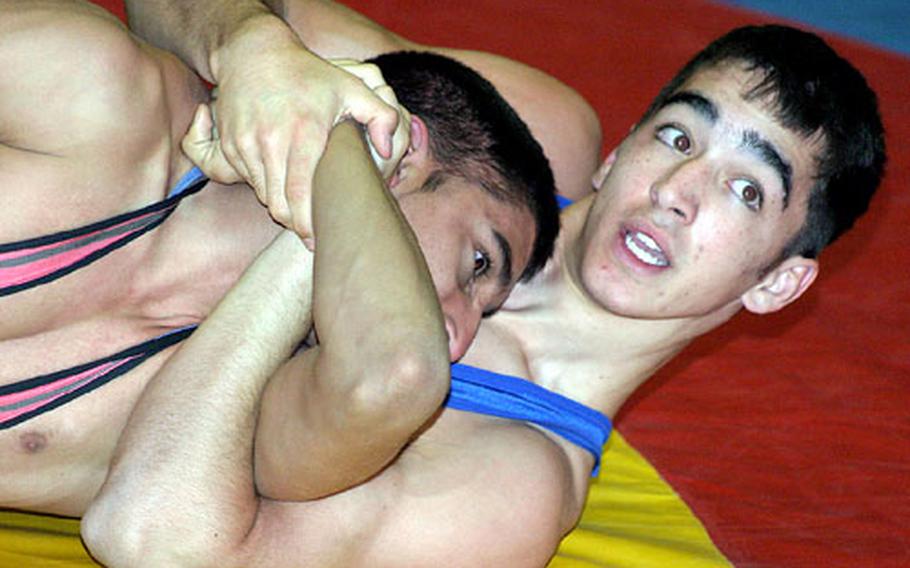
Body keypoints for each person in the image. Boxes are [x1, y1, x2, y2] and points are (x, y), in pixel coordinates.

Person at [84, 3, 887, 565]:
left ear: (778, 285)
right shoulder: (533, 136)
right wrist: (250, 47)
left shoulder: (509, 484)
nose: (678, 189)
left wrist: (334, 194)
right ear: (622, 151)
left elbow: (153, 537)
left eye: (748, 190)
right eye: (677, 136)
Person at [0, 0, 558, 516]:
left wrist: (334, 157)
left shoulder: (239, 413)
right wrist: (255, 43)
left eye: (481, 315)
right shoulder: (102, 94)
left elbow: (390, 378)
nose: (456, 338)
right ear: (401, 151)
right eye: (479, 264)